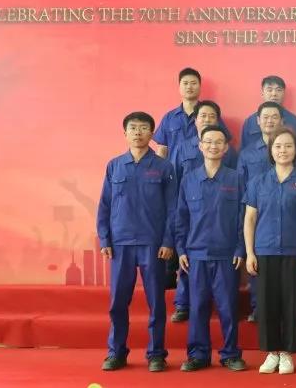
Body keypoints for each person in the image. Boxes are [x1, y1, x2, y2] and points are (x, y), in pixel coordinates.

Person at [97, 112, 176, 372]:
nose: (138, 132)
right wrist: (105, 238)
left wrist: (168, 241)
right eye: (133, 128)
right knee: (118, 302)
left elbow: (173, 208)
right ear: (125, 133)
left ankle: (156, 355)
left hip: (153, 244)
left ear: (152, 133)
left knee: (156, 303)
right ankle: (116, 352)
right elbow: (105, 204)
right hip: (121, 244)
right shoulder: (114, 166)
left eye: (143, 128)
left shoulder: (164, 167)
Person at [244, 127, 296, 375]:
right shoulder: (258, 182)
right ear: (271, 150)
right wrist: (250, 252)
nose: (283, 150)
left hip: (295, 251)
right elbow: (250, 219)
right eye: (278, 146)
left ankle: (288, 353)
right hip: (264, 250)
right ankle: (272, 352)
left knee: (293, 303)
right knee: (267, 304)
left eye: (288, 146)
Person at [176, 125, 248, 372]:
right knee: (197, 307)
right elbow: (181, 218)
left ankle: (230, 354)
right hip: (196, 255)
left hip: (227, 255)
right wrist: (181, 250)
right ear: (200, 146)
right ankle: (198, 355)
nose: (213, 146)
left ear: (226, 148)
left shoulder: (236, 179)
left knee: (228, 307)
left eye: (218, 142)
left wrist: (240, 249)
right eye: (208, 142)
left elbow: (243, 218)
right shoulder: (189, 180)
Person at [238, 101, 296, 322]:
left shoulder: (295, 155)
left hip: (290, 228)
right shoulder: (247, 154)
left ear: (281, 120)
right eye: (265, 117)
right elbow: (242, 189)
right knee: (260, 276)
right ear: (257, 121)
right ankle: (258, 308)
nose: (270, 121)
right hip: (260, 222)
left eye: (274, 117)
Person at [169, 100, 237, 323]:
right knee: (189, 270)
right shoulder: (183, 149)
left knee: (226, 301)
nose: (207, 119)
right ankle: (183, 305)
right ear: (195, 121)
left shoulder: (230, 157)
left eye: (211, 116)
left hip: (221, 223)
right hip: (193, 219)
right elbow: (175, 179)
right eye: (203, 116)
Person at [154, 67, 231, 161]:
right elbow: (162, 149)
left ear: (200, 87)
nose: (189, 87)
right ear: (179, 87)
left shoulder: (210, 116)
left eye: (193, 83)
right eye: (185, 83)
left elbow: (223, 143)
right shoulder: (169, 118)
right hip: (174, 168)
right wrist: (159, 169)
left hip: (203, 167)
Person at [239, 75, 296, 149]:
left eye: (278, 90)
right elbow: (244, 150)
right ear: (262, 93)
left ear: (284, 93)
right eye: (269, 90)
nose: (274, 94)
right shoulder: (250, 122)